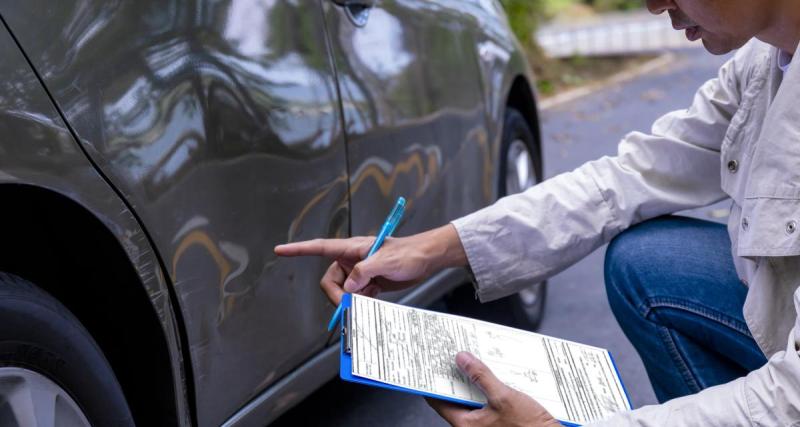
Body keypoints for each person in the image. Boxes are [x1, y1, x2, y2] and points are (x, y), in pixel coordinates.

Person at [275, 0, 800, 424]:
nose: (654, 4)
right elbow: (624, 180)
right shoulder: (761, 65)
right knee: (650, 262)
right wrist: (431, 249)